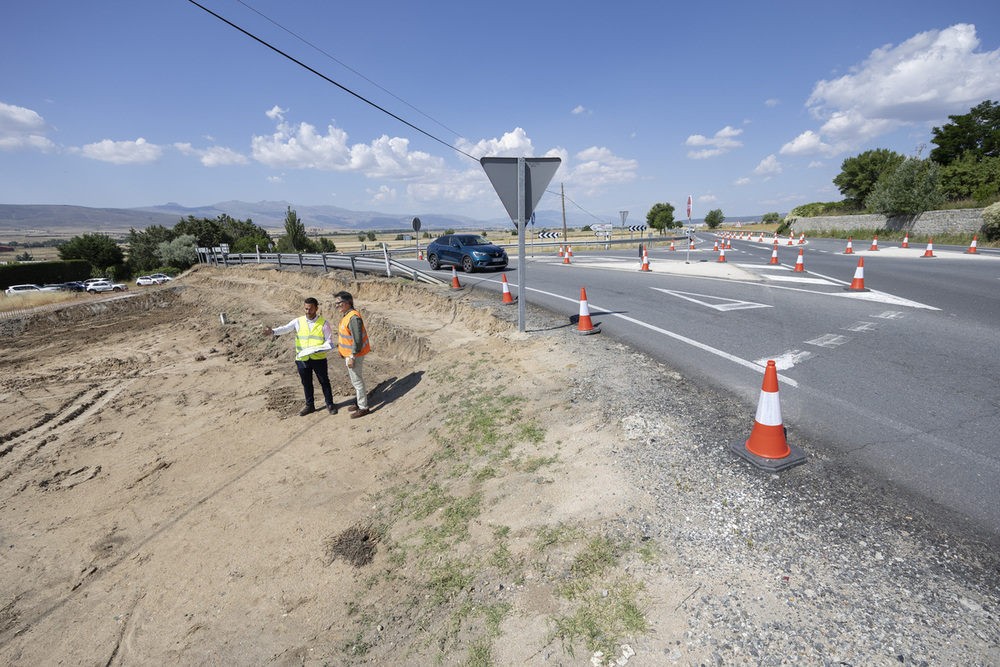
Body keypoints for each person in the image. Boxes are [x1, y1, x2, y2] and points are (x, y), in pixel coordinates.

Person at [263, 297, 337, 416]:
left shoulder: (324, 323)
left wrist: (321, 348)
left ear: (316, 309)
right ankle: (310, 405)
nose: (308, 311)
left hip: (319, 359)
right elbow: (285, 328)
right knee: (306, 383)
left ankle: (330, 404)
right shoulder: (298, 321)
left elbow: (329, 341)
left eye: (310, 309)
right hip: (302, 359)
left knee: (324, 381)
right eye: (306, 309)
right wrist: (273, 331)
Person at [333, 291, 371, 418]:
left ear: (347, 303)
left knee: (357, 380)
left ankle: (363, 407)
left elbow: (357, 340)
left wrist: (352, 357)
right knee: (355, 380)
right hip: (349, 354)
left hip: (355, 355)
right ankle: (359, 402)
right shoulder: (347, 315)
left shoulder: (353, 318)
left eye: (338, 303)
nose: (336, 305)